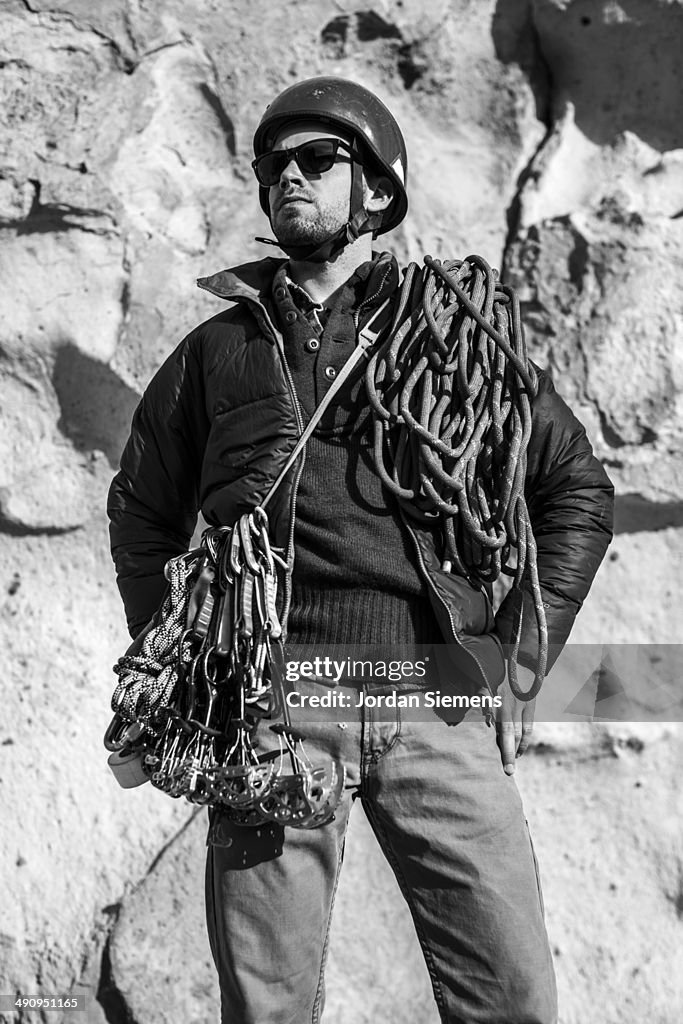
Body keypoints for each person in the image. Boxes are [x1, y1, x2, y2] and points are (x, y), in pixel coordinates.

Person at [108, 77, 614, 1024]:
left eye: (315, 160)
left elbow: (575, 490)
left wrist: (519, 658)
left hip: (437, 701)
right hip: (274, 706)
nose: (285, 178)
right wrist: (189, 670)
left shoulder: (456, 335)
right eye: (271, 168)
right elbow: (141, 516)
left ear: (377, 191)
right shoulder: (214, 354)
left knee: (512, 998)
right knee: (267, 1009)